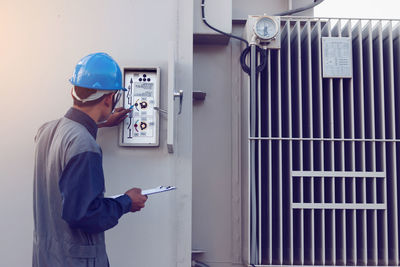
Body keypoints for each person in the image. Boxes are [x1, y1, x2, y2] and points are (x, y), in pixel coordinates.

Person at [32, 52, 148, 267]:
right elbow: (84, 215)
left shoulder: (45, 131)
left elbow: (68, 134)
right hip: (75, 261)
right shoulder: (85, 146)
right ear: (109, 99)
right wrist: (126, 202)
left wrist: (101, 123)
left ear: (73, 91)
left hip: (46, 258)